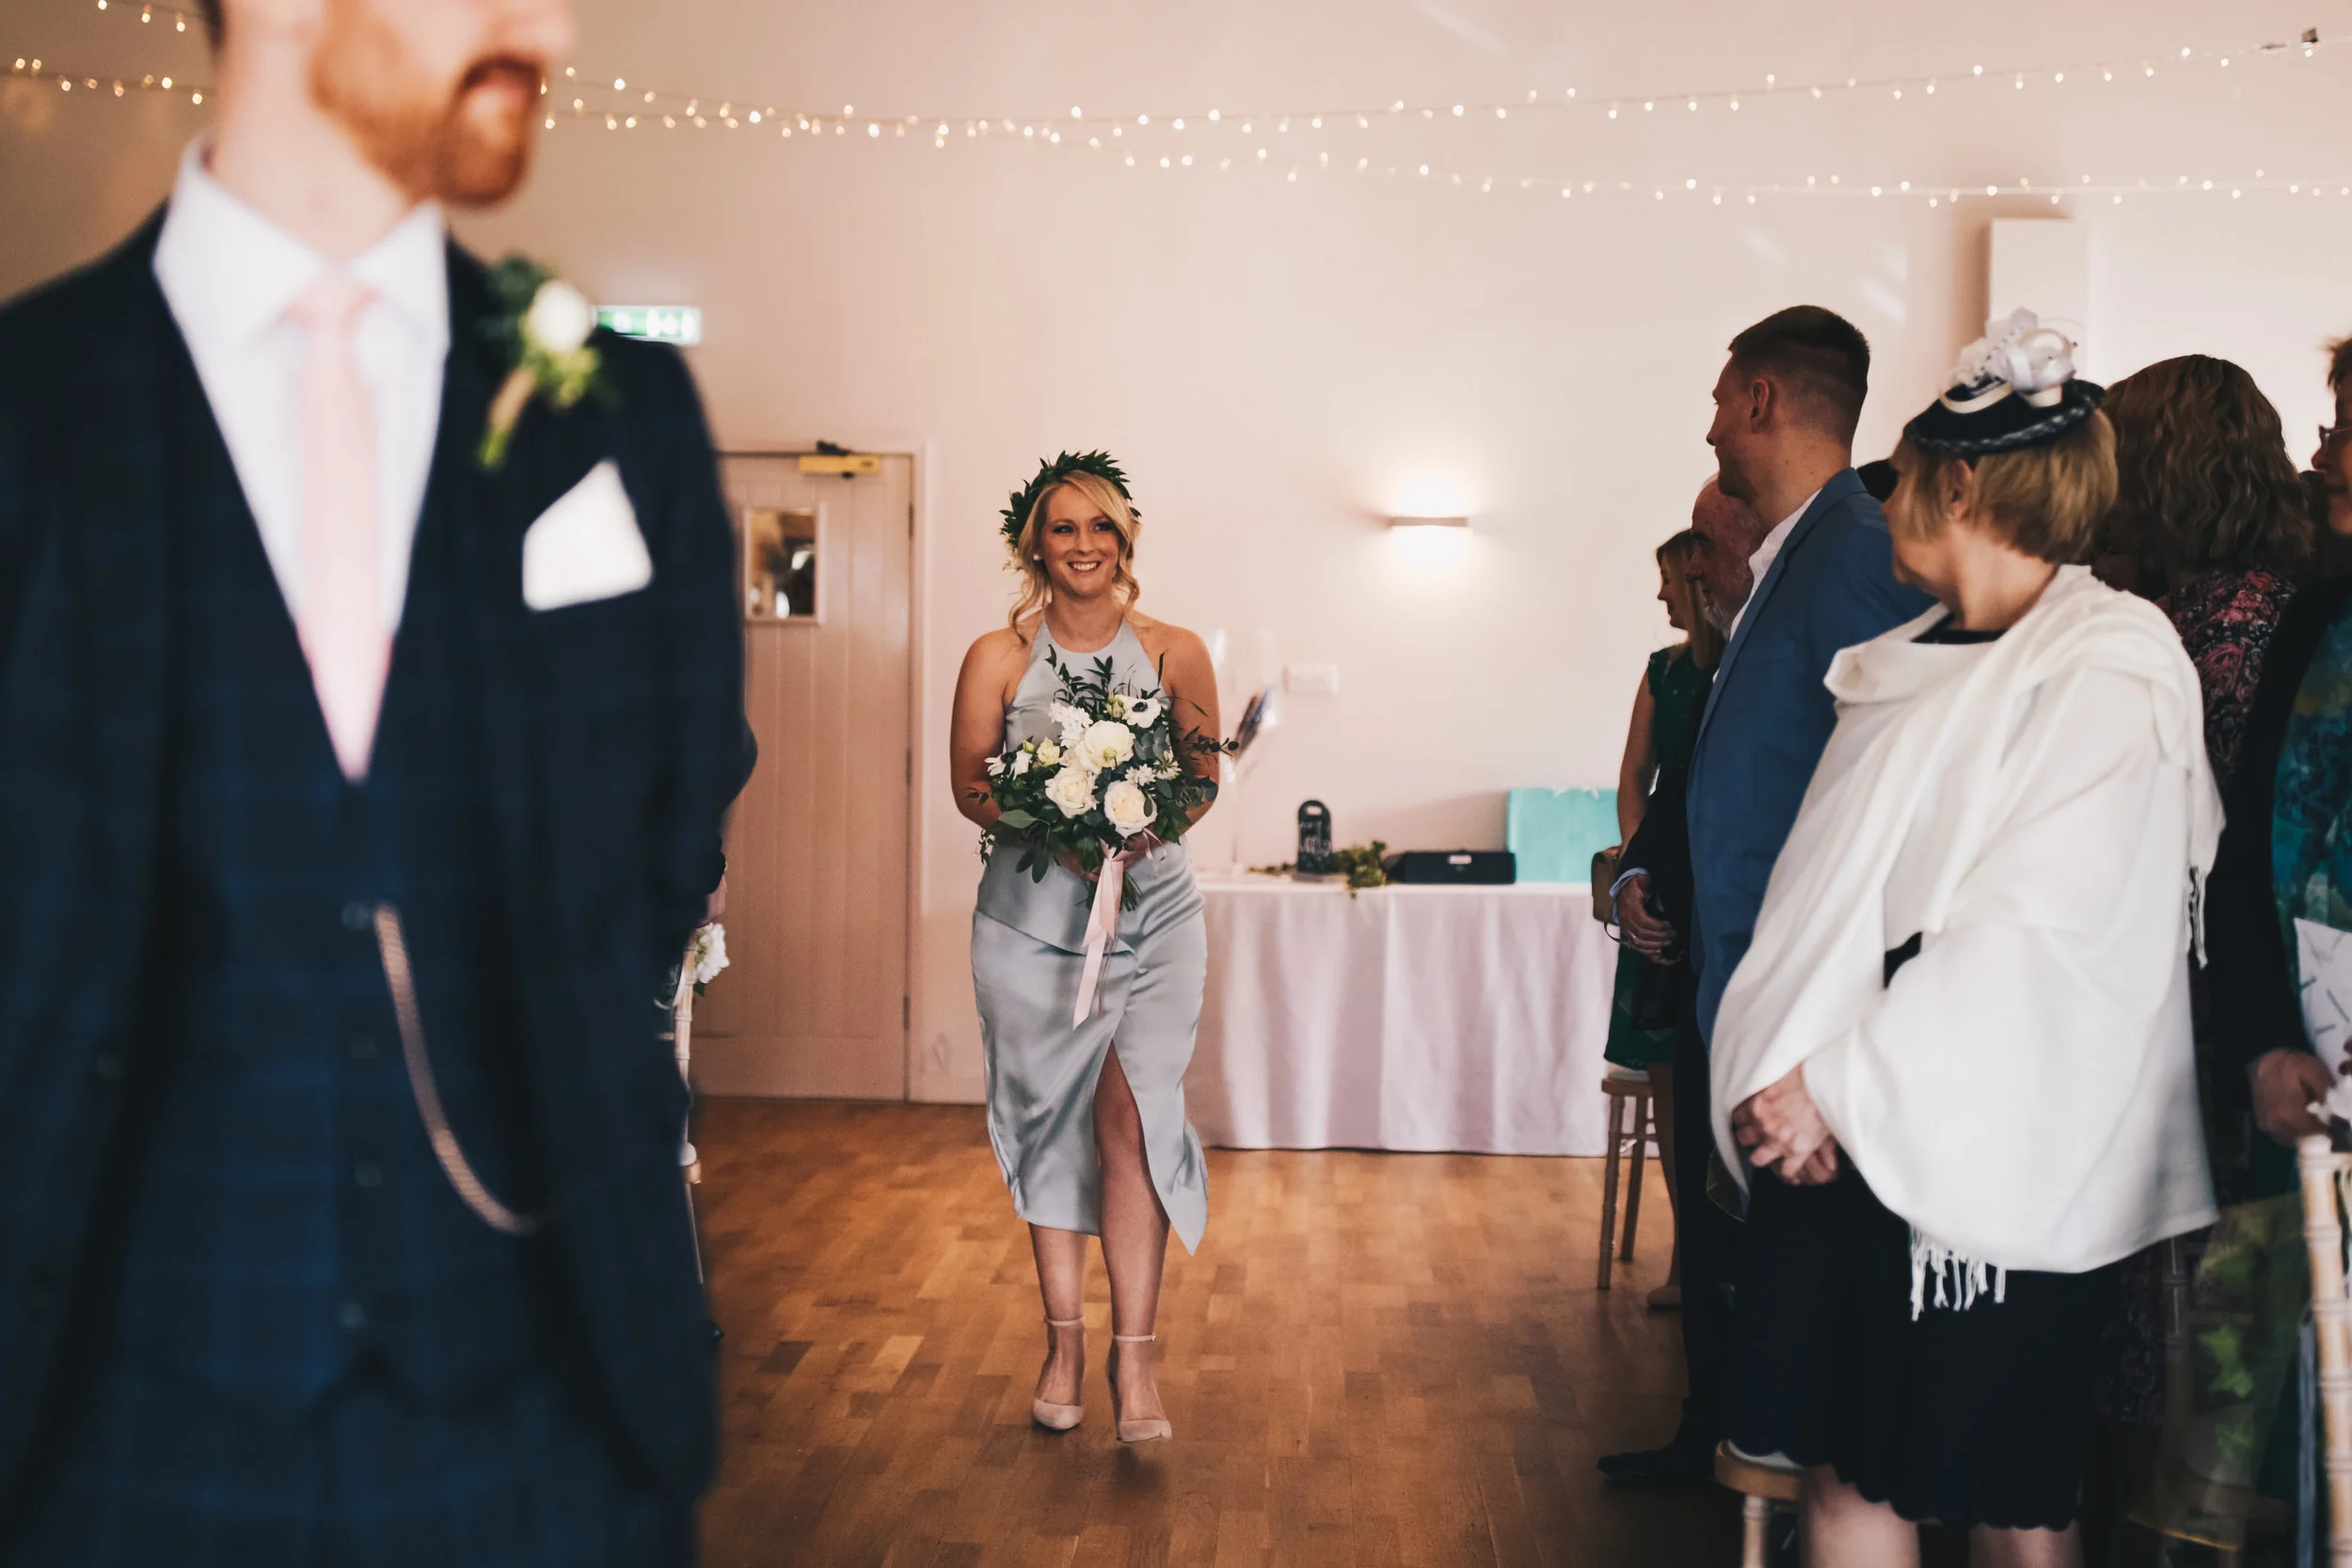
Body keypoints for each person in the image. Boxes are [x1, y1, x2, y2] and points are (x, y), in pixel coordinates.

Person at [0, 0, 753, 1560]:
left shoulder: (620, 417)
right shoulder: (29, 405)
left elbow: (669, 831)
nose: (552, 27)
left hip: (554, 1434)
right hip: (108, 1440)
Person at [1717, 313, 2220, 1568]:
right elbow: (1826, 891)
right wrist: (1790, 1069)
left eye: (1898, 477)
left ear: (1955, 487)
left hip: (1985, 1124)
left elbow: (2039, 930)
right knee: (1845, 1465)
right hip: (1832, 1123)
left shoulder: (2109, 665)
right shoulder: (1894, 660)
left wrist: (1832, 1085)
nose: (1882, 500)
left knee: (2007, 1492)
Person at [1600, 307, 1935, 1489]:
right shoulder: (1797, 551)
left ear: (1760, 400)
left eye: (1717, 401)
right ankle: (1744, 1451)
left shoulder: (1847, 549)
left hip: (1804, 992)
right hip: (1744, 974)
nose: (1709, 426)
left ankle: (1794, 1486)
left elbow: (1886, 774)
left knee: (1806, 1311)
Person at [949, 454, 1220, 1445]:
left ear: (1125, 539)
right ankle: (1063, 1344)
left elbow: (1201, 776)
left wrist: (1147, 821)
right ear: (1034, 542)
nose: (1084, 545)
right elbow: (970, 785)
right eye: (1063, 527)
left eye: (1101, 526)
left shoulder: (1178, 650)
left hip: (1154, 921)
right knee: (1047, 1126)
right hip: (1030, 930)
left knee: (1131, 1119)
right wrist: (1055, 821)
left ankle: (1132, 1356)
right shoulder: (996, 655)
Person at [1604, 529, 1725, 1312]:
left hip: (1720, 884)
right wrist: (1635, 869)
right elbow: (1633, 778)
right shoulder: (1663, 673)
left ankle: (1716, 1250)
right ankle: (1688, 1249)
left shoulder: (1740, 663)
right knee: (1671, 1084)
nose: (1659, 594)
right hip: (1663, 885)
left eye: (1667, 579)